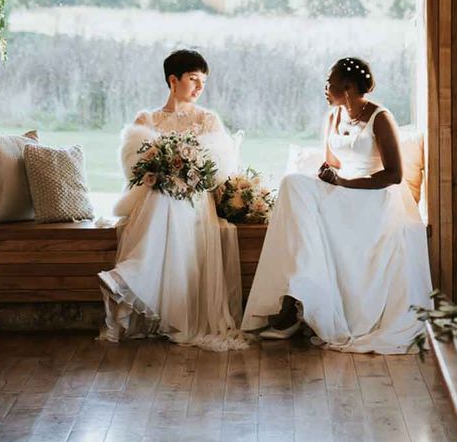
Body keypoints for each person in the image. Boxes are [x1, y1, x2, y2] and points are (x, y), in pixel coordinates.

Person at [242, 56, 432, 353]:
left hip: (373, 197)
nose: (324, 88)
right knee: (293, 184)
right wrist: (328, 174)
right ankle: (295, 299)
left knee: (295, 188)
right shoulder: (333, 117)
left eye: (328, 82)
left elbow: (394, 175)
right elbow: (332, 162)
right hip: (343, 193)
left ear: (346, 87)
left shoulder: (379, 117)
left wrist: (346, 184)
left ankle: (295, 306)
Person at [99, 49, 247, 350]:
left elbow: (218, 169)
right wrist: (165, 170)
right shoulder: (147, 119)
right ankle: (142, 288)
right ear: (173, 80)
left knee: (170, 200)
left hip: (194, 198)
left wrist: (184, 172)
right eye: (193, 80)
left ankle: (130, 278)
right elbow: (134, 169)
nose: (199, 88)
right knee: (161, 196)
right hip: (154, 195)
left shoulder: (208, 120)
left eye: (203, 82)